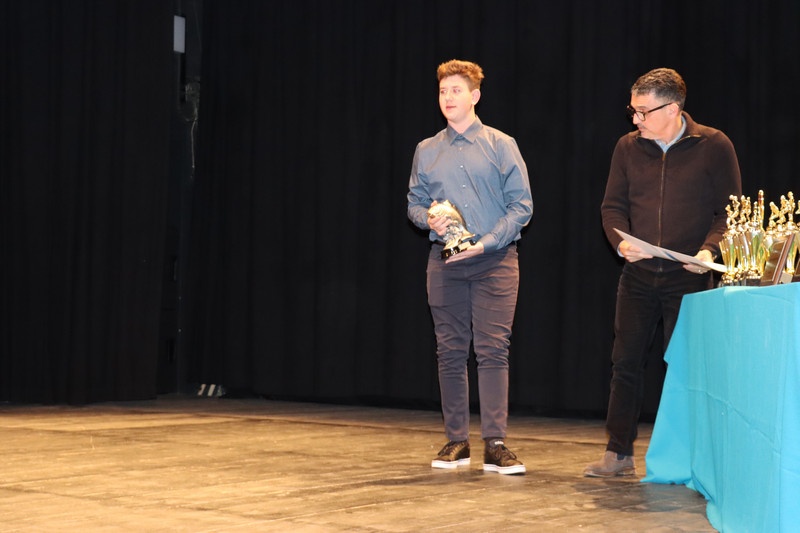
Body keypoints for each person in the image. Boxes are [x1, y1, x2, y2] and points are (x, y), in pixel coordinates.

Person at [584, 68, 742, 477]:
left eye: (643, 111)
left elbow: (729, 212)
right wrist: (621, 244)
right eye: (633, 111)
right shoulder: (627, 147)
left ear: (672, 109)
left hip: (689, 276)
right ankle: (618, 452)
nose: (635, 120)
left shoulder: (714, 145)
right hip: (638, 276)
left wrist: (708, 251)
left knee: (687, 368)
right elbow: (612, 207)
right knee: (625, 363)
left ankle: (690, 458)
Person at [407, 59, 533, 475]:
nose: (448, 98)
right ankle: (456, 441)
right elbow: (414, 203)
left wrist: (485, 242)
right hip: (445, 262)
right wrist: (428, 219)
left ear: (475, 96)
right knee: (450, 351)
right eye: (443, 91)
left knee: (493, 349)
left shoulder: (501, 144)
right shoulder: (427, 150)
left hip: (494, 260)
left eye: (456, 90)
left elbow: (522, 206)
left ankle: (495, 443)